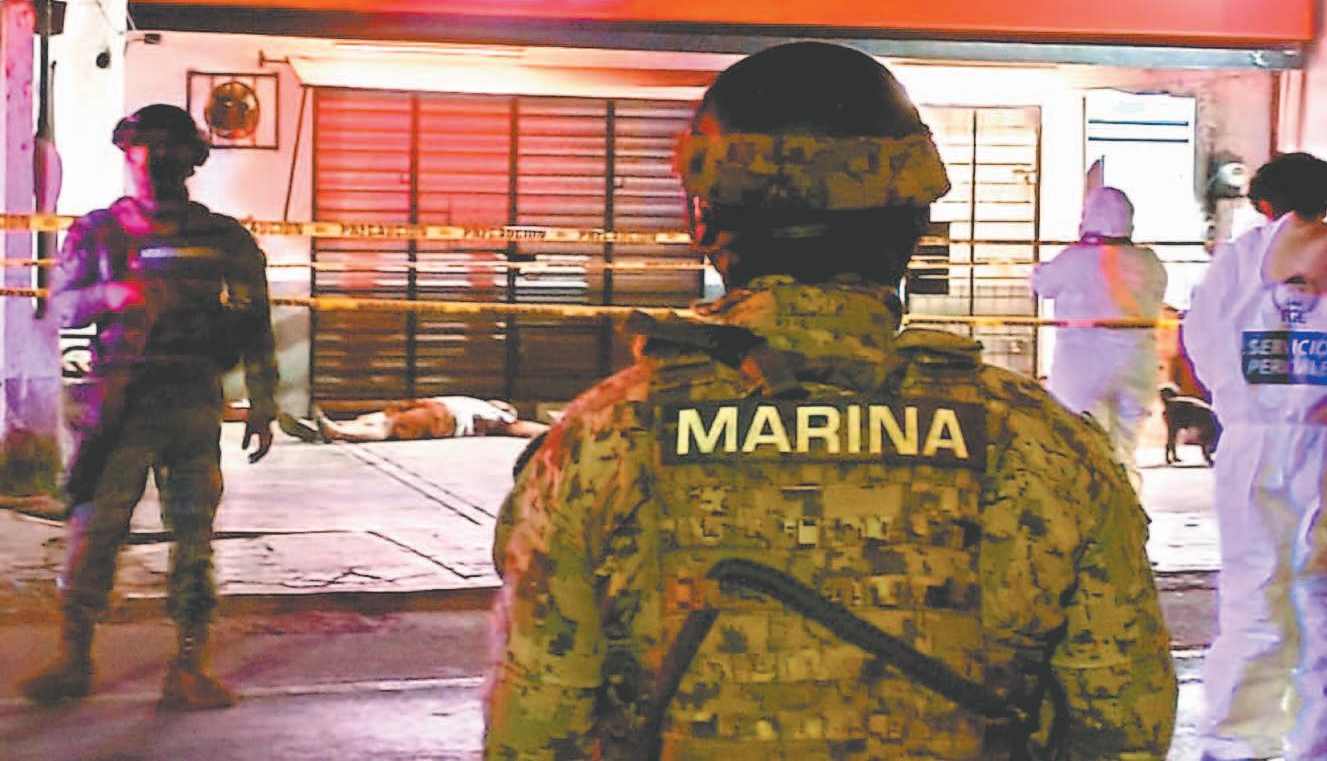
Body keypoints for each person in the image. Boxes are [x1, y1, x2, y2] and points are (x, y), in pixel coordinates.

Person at [484, 42, 1175, 759]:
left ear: (702, 221)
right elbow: (1123, 728)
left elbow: (533, 731)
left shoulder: (601, 443)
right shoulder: (1043, 449)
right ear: (915, 224)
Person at [20, 104, 278, 711]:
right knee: (95, 534)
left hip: (191, 403)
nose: (158, 162)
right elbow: (61, 308)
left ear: (192, 160)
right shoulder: (99, 232)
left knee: (193, 539)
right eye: (147, 150)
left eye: (170, 150)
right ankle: (75, 660)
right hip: (118, 408)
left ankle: (187, 667)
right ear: (128, 155)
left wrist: (264, 400)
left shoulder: (223, 238)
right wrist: (116, 293)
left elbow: (254, 322)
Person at [1183, 151, 1327, 761]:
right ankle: (1325, 743)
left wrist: (1244, 399)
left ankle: (1234, 743)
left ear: (1261, 203)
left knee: (1252, 596)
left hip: (1250, 446)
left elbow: (1201, 340)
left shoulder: (1235, 263)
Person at [1029, 187, 1168, 493]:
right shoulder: (1148, 261)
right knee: (1125, 449)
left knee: (1083, 448)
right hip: (1137, 366)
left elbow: (1042, 284)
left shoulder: (1074, 259)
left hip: (1082, 368)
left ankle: (1090, 511)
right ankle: (1127, 509)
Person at [278, 396, 548, 443]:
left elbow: (526, 429)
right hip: (431, 405)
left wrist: (559, 431)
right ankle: (326, 429)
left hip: (445, 417)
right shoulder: (480, 403)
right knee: (377, 417)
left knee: (389, 426)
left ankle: (338, 433)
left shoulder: (500, 418)